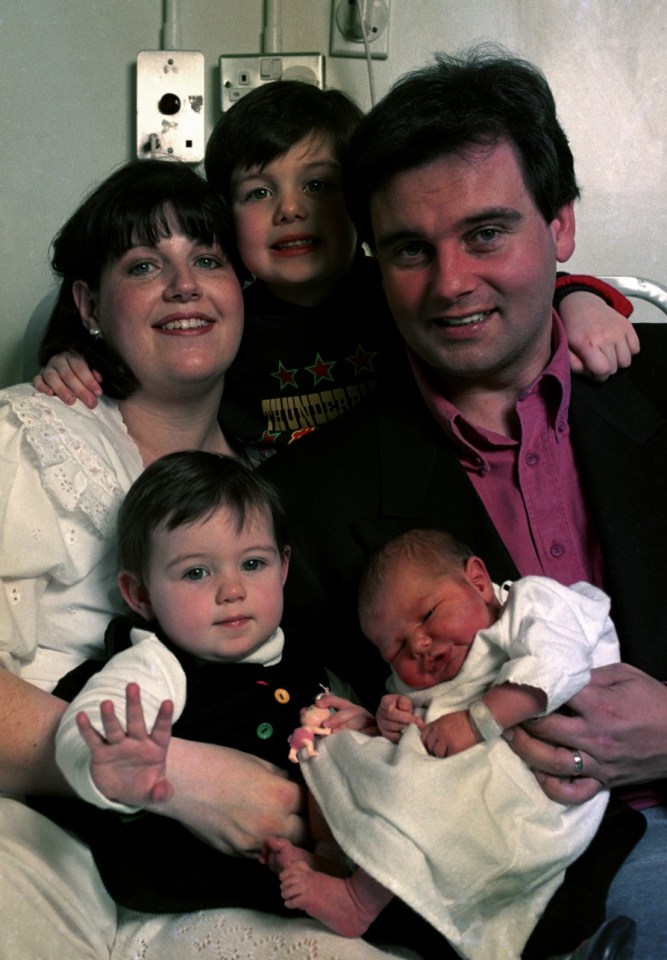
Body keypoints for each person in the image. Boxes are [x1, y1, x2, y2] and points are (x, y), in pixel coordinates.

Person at [258, 46, 667, 959]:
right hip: (497, 889)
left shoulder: (661, 386)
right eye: (409, 249)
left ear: (560, 228)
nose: (448, 284)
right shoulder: (310, 499)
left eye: (486, 233)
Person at [1, 160, 373, 960]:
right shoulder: (28, 435)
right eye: (143, 266)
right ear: (88, 306)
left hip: (241, 880)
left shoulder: (281, 485)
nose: (182, 286)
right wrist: (186, 776)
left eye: (206, 260)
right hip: (33, 835)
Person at [34, 81, 637, 459]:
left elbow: (506, 290)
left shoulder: (400, 289)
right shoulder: (218, 316)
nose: (292, 209)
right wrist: (68, 352)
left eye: (319, 185)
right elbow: (113, 309)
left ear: (362, 207)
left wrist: (580, 299)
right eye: (259, 193)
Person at [265, 528, 626, 960]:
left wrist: (478, 721)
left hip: (541, 792)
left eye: (428, 614)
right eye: (395, 649)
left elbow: (560, 666)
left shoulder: (534, 606)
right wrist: (389, 718)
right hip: (483, 768)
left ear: (476, 581)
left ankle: (359, 901)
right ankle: (335, 857)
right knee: (334, 748)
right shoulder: (438, 665)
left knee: (424, 793)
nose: (417, 645)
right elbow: (428, 722)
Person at [49, 451, 371, 914]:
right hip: (214, 891)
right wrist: (118, 764)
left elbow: (345, 724)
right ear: (140, 595)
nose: (232, 590)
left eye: (253, 565)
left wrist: (360, 726)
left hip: (324, 874)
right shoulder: (157, 664)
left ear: (283, 569)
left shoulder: (306, 659)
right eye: (196, 572)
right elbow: (90, 721)